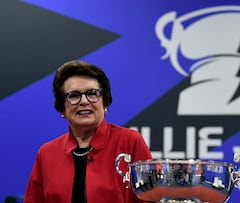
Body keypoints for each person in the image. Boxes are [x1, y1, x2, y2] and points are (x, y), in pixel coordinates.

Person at [24, 60, 152, 203]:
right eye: (74, 95)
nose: (84, 101)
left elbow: (150, 198)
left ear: (105, 103)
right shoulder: (46, 153)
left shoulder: (130, 141)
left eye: (92, 93)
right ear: (62, 108)